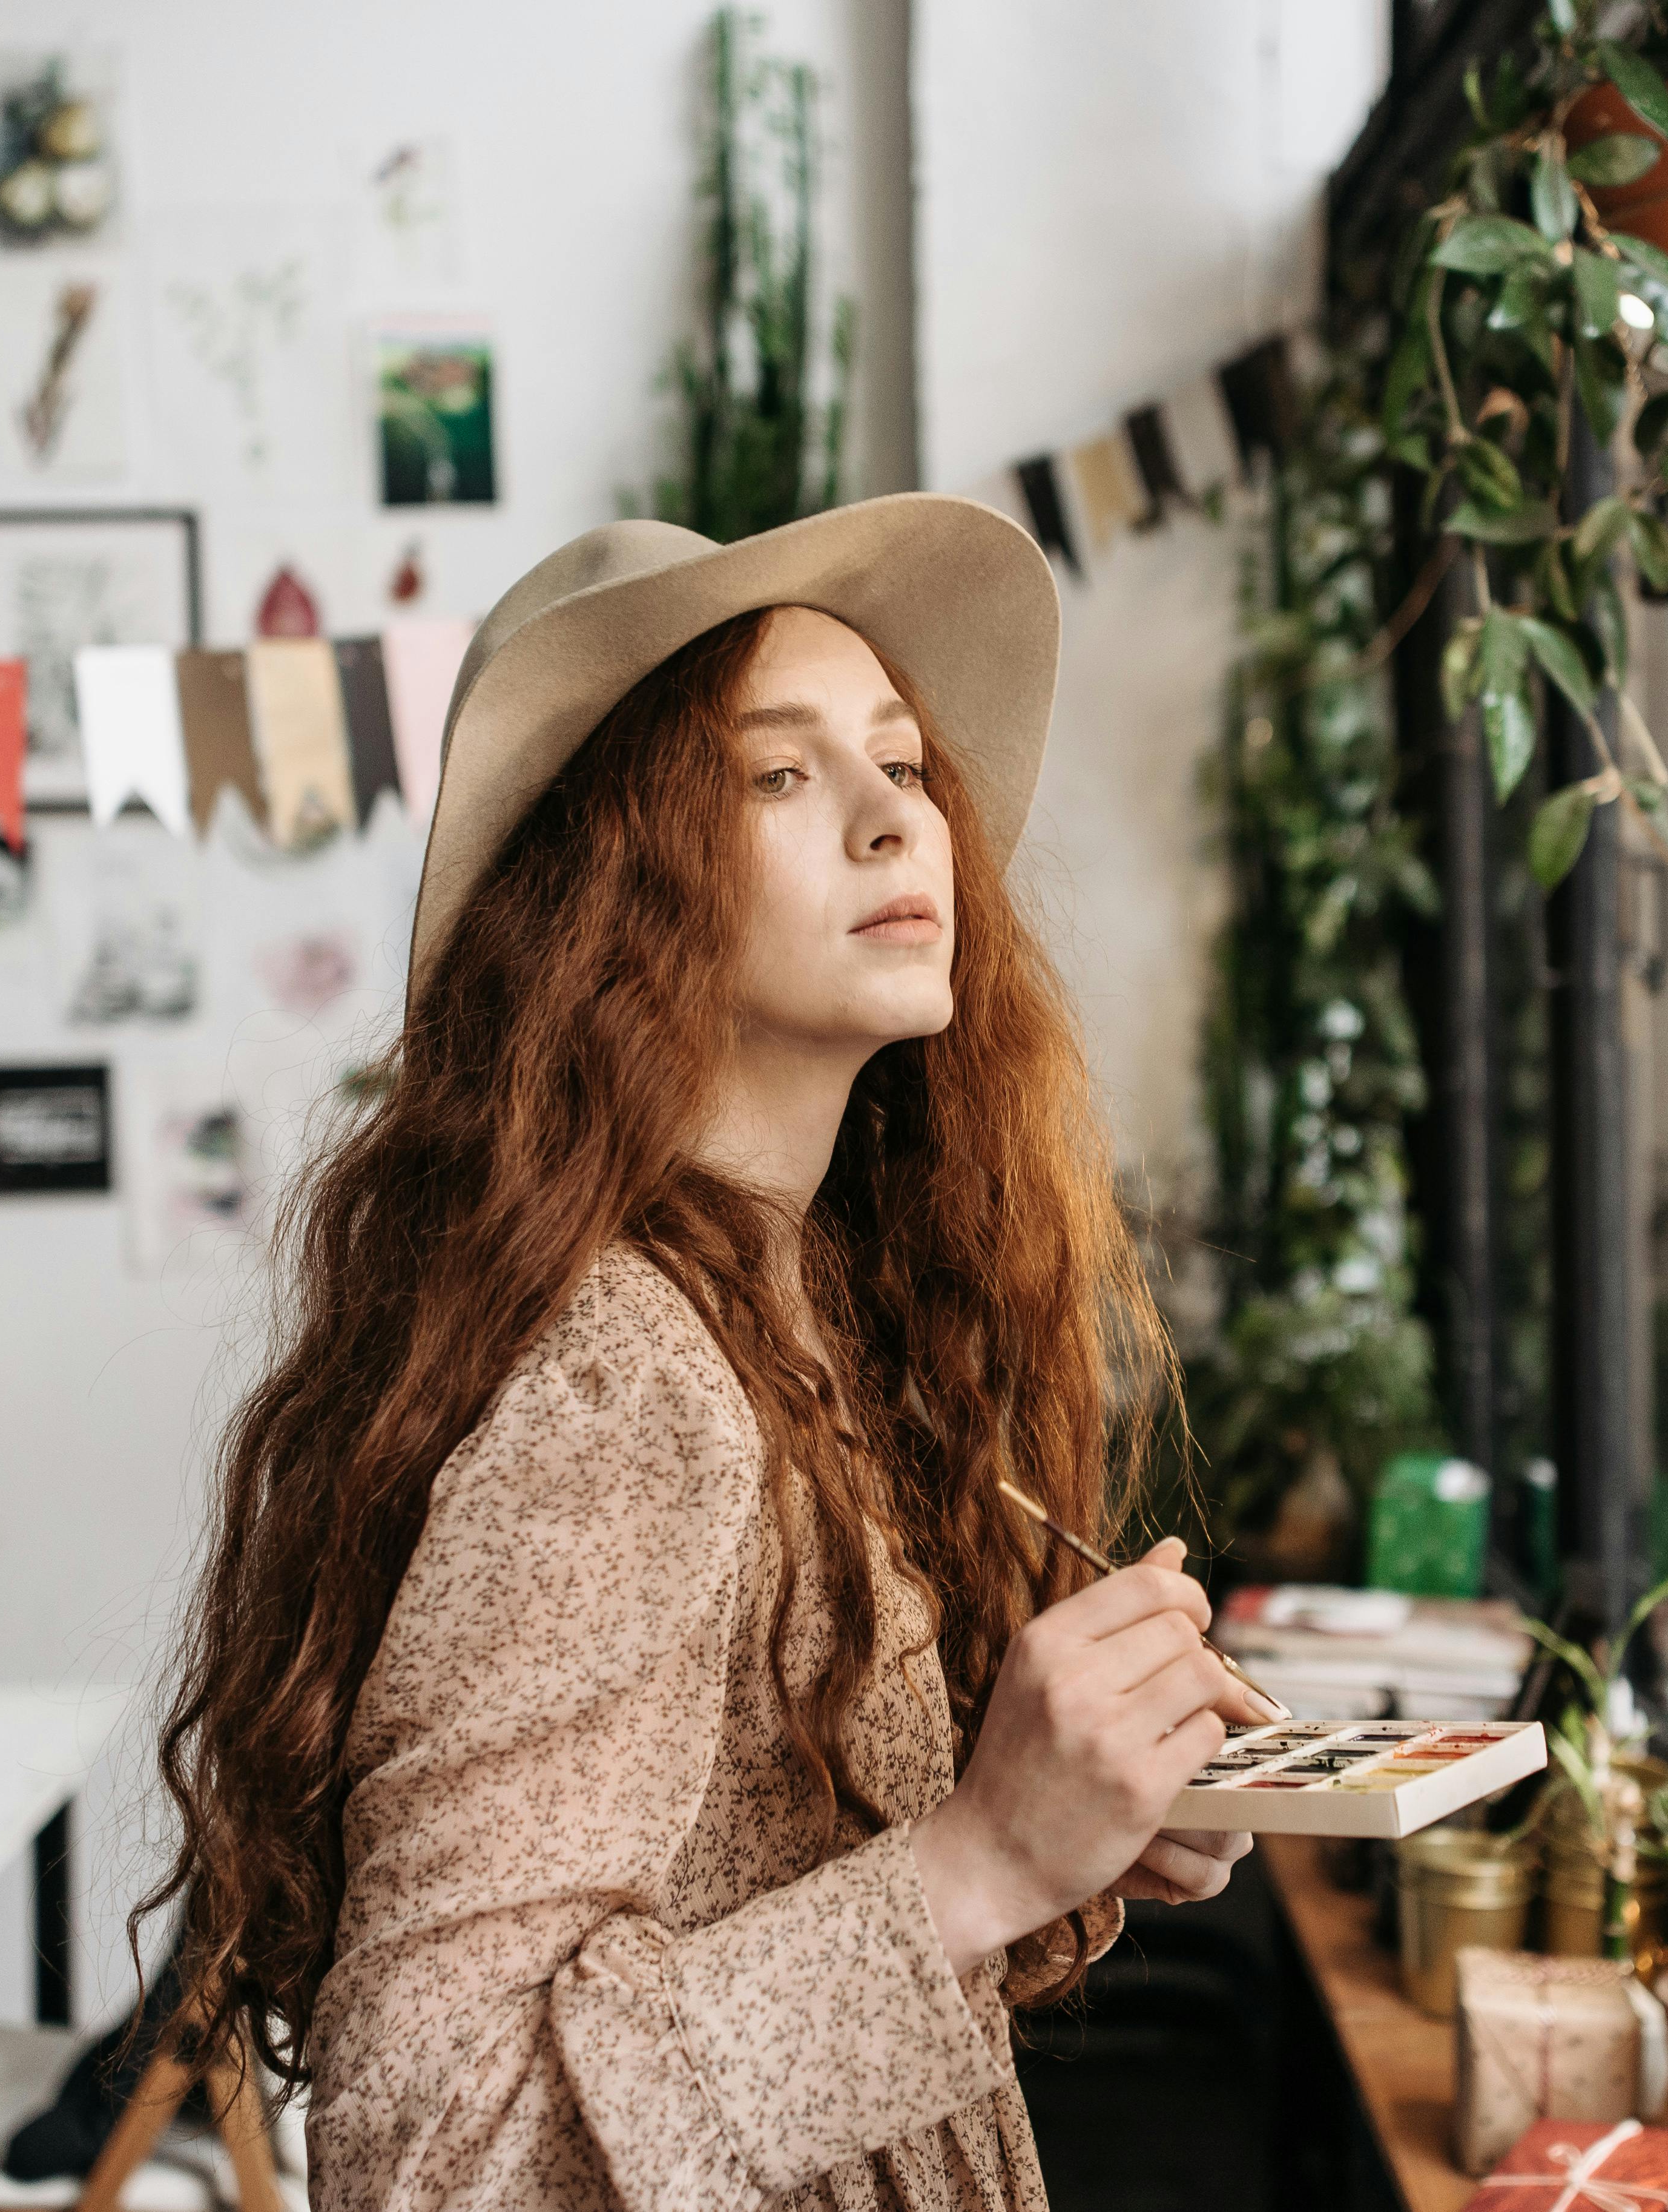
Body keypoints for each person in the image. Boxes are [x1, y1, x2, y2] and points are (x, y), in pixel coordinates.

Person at [151, 495, 1276, 2210]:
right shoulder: (624, 1379)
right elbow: (421, 2149)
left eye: (902, 765)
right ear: (615, 894)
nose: (896, 819)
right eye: (778, 774)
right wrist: (972, 1866)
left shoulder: (798, 1304)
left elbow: (746, 1906)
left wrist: (1064, 1834)